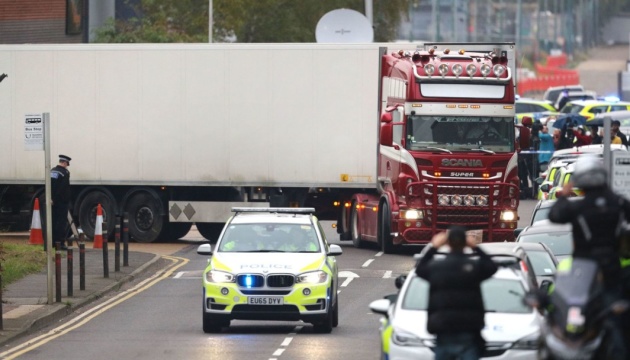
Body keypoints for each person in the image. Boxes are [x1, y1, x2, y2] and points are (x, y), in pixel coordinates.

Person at [548, 155, 630, 359]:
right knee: (616, 318)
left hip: (584, 272)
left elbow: (555, 215)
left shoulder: (579, 207)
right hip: (612, 270)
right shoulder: (619, 203)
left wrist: (564, 195)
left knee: (574, 316)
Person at [415, 226, 498, 360]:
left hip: (443, 327)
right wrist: (475, 247)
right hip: (469, 328)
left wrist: (433, 247)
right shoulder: (473, 267)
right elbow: (492, 267)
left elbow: (419, 269)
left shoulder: (437, 268)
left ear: (447, 243)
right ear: (465, 243)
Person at [50, 154, 72, 250]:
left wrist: (52, 199)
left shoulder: (52, 171)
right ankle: (60, 243)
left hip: (52, 201)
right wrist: (57, 199)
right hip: (61, 202)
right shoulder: (65, 173)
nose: (67, 165)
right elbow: (62, 189)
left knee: (53, 222)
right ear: (64, 162)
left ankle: (52, 242)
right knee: (61, 223)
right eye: (67, 163)